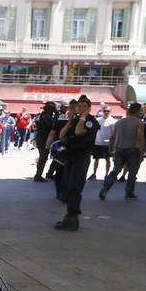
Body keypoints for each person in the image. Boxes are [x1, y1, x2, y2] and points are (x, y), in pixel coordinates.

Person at [54, 95, 99, 230]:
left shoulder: (90, 121)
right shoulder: (74, 120)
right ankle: (69, 215)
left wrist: (84, 116)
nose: (80, 108)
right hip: (70, 157)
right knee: (67, 185)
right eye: (79, 106)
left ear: (88, 108)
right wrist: (69, 121)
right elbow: (61, 135)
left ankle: (73, 217)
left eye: (83, 106)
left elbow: (79, 131)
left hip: (81, 158)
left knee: (75, 187)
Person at [99, 103, 145, 201]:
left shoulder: (119, 122)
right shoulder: (139, 122)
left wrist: (110, 148)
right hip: (133, 149)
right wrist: (142, 151)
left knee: (116, 170)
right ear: (137, 111)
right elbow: (140, 137)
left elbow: (112, 136)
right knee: (132, 172)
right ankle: (129, 193)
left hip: (119, 149)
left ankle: (105, 188)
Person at [32, 102, 58, 182]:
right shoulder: (46, 116)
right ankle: (38, 175)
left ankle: (46, 173)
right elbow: (53, 125)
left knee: (45, 156)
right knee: (43, 156)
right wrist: (57, 116)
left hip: (41, 137)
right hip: (44, 138)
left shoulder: (41, 115)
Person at [88, 107, 114, 181]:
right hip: (97, 142)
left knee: (107, 159)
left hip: (107, 144)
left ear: (110, 111)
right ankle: (94, 174)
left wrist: (112, 145)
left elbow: (113, 134)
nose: (106, 112)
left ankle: (106, 175)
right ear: (102, 111)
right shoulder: (97, 120)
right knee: (96, 159)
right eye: (104, 111)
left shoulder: (112, 121)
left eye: (108, 111)